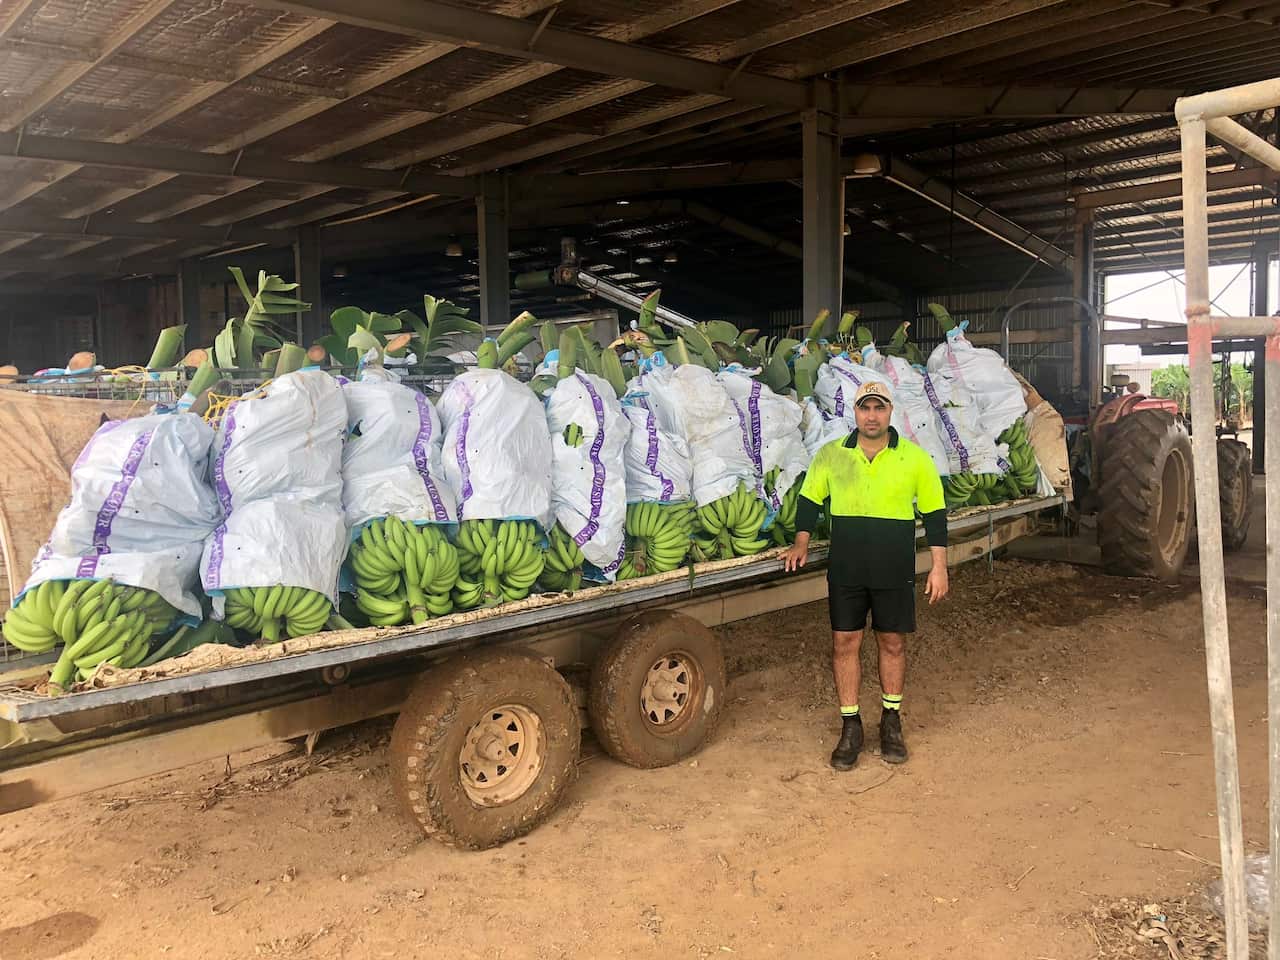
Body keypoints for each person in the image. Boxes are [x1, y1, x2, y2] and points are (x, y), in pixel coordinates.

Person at [782, 381, 949, 770]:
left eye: (879, 408)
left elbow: (935, 515)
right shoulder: (831, 455)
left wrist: (939, 566)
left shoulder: (915, 458)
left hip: (893, 565)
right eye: (864, 408)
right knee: (845, 642)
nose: (871, 416)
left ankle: (891, 721)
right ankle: (850, 725)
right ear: (854, 413)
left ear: (890, 412)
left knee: (892, 643)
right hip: (847, 566)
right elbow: (809, 500)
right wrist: (801, 542)